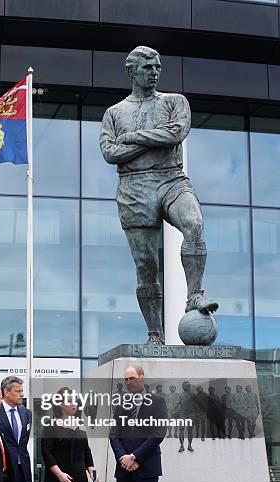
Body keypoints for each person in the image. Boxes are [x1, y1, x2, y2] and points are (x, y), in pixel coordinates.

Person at [100, 45, 218, 346]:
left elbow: (176, 133)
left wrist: (133, 138)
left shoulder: (175, 102)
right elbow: (110, 153)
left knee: (194, 223)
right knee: (146, 267)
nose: (154, 72)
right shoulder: (114, 113)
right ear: (131, 71)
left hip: (171, 179)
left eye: (157, 67)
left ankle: (195, 295)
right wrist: (154, 140)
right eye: (148, 67)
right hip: (134, 188)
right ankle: (154, 334)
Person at [177, 380, 196, 452]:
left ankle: (189, 445)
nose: (186, 387)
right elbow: (178, 404)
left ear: (189, 386)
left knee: (190, 429)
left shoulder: (193, 395)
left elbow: (196, 405)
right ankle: (181, 445)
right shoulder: (180, 395)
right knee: (181, 429)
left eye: (187, 385)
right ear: (182, 387)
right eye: (184, 385)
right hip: (182, 413)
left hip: (191, 413)